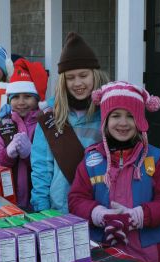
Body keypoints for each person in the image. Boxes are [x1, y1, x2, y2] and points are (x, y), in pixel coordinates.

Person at [68, 81, 160, 262]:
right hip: (102, 250)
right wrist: (99, 214)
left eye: (130, 116)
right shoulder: (91, 160)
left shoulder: (155, 158)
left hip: (147, 253)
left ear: (140, 120)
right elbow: (76, 199)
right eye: (115, 115)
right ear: (105, 120)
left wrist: (139, 216)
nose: (123, 123)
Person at [30, 32, 110, 214]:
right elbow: (41, 166)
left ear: (95, 75)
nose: (78, 83)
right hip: (60, 210)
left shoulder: (109, 113)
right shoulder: (51, 116)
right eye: (70, 77)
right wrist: (41, 209)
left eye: (83, 75)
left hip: (101, 209)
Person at [0, 58, 48, 211]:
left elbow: (49, 164)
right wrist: (7, 155)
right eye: (16, 97)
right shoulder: (2, 126)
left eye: (27, 96)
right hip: (8, 202)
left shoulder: (44, 125)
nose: (21, 102)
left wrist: (30, 155)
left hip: (38, 201)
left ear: (37, 99)